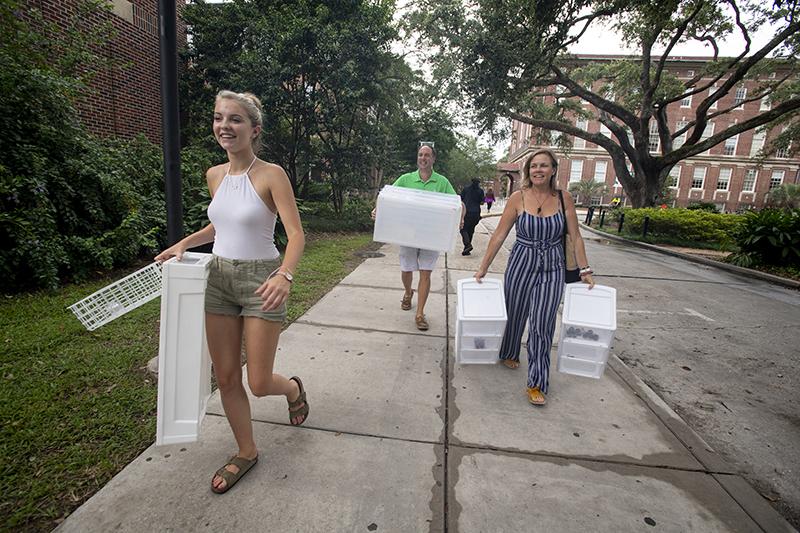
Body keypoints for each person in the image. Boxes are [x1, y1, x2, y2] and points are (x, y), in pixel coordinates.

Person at [155, 90, 308, 494]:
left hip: (263, 280)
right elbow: (221, 226)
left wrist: (285, 275)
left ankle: (292, 388)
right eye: (219, 117)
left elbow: (295, 234)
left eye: (236, 119)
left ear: (254, 130)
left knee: (257, 381)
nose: (225, 125)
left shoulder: (271, 174)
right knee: (224, 376)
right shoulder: (214, 175)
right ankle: (246, 450)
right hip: (219, 280)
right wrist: (185, 243)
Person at [474, 149, 594, 406]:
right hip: (521, 263)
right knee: (515, 312)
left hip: (552, 268)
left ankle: (537, 381)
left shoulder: (564, 199)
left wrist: (584, 270)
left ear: (553, 170)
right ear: (528, 171)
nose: (538, 170)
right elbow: (499, 235)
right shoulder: (518, 198)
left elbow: (575, 236)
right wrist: (483, 267)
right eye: (534, 166)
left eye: (544, 165)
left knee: (542, 324)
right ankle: (509, 351)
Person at [373, 144, 465, 331]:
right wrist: (378, 209)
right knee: (406, 269)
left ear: (433, 159)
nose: (423, 158)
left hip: (432, 236)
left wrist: (460, 217)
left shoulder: (442, 182)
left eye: (427, 155)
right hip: (407, 233)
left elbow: (457, 202)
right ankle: (408, 293)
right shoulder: (406, 179)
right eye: (421, 155)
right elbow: (386, 196)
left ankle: (420, 313)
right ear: (418, 158)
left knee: (425, 272)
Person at [460, 178, 484, 255]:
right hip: (476, 213)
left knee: (463, 229)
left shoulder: (466, 189)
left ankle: (467, 245)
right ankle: (467, 249)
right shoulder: (480, 191)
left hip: (466, 212)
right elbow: (482, 202)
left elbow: (461, 199)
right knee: (471, 230)